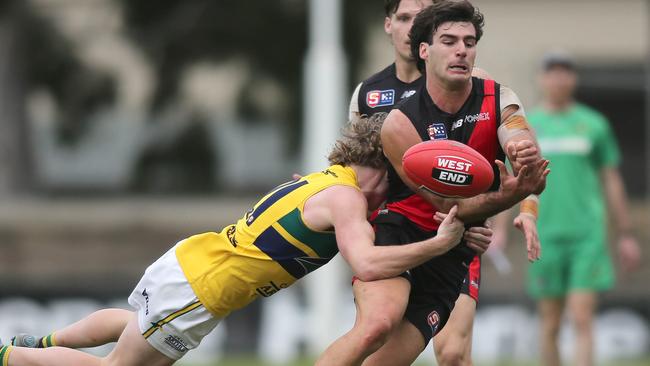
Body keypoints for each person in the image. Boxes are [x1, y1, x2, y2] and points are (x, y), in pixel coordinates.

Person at [0, 113, 497, 366]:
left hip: (193, 262)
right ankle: (14, 356)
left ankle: (42, 341)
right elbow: (366, 264)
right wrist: (440, 242)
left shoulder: (321, 178)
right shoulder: (347, 200)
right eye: (401, 181)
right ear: (383, 169)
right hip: (204, 287)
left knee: (134, 327)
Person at [317, 2, 548, 365]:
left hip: (458, 246)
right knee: (377, 324)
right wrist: (323, 191)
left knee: (450, 353)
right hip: (398, 229)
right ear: (420, 46)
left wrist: (523, 175)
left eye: (469, 42)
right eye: (450, 40)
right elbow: (354, 166)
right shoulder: (387, 110)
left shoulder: (495, 93)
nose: (461, 50)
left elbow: (524, 151)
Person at [493, 51, 641, 366]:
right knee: (550, 322)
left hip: (587, 234)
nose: (558, 78)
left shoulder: (594, 124)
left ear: (573, 79)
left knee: (582, 316)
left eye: (565, 72)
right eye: (552, 72)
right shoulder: (526, 129)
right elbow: (511, 184)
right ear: (541, 78)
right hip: (544, 236)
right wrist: (499, 230)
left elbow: (611, 179)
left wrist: (626, 233)